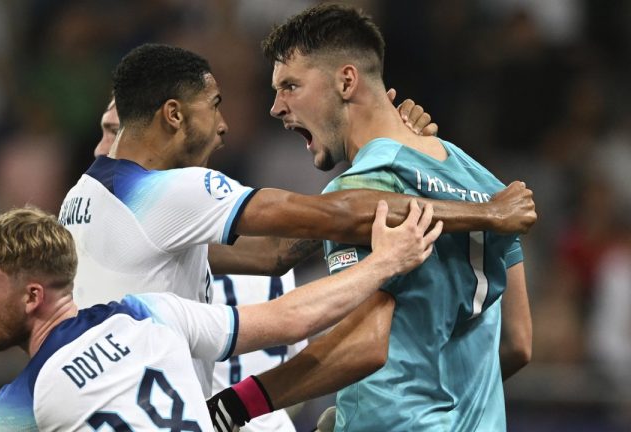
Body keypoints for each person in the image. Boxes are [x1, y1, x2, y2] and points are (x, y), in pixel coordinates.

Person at [60, 43, 536, 397]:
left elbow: (274, 254)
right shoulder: (166, 192)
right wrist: (486, 213)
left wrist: (377, 150)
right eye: (215, 106)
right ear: (174, 115)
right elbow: (337, 217)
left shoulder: (84, 198)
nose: (225, 126)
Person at [208, 4, 535, 431]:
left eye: (290, 85)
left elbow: (364, 345)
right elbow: (518, 344)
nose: (276, 107)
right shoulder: (486, 184)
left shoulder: (360, 192)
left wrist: (240, 403)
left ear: (346, 80)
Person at [0, 201, 440, 431]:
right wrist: (386, 262)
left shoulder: (18, 404)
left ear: (32, 296)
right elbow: (293, 318)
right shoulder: (146, 312)